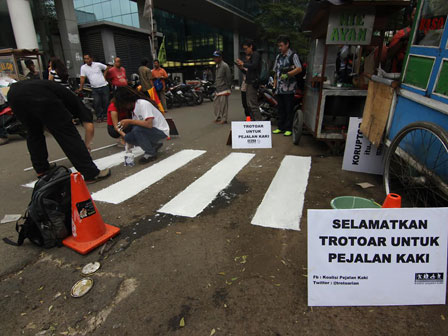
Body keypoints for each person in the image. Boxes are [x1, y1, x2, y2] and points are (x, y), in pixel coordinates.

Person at [7, 80, 111, 183]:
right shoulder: (77, 104)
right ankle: (91, 173)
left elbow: (49, 126)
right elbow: (89, 126)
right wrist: (86, 146)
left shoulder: (59, 92)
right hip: (39, 95)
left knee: (34, 132)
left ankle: (41, 169)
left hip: (14, 95)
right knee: (68, 135)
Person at [114, 86, 169, 163]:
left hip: (160, 131)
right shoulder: (134, 109)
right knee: (128, 137)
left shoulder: (142, 104)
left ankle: (150, 153)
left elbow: (149, 124)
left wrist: (130, 121)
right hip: (151, 131)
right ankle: (153, 145)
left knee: (137, 130)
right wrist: (128, 150)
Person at [272, 35, 302, 137]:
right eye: (278, 46)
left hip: (289, 88)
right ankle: (280, 127)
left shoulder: (293, 55)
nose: (280, 48)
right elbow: (275, 71)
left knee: (289, 109)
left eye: (281, 45)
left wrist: (288, 74)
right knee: (280, 109)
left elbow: (299, 68)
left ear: (287, 44)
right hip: (279, 88)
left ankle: (289, 128)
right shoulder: (278, 56)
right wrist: (274, 85)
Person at [77, 54, 109, 122]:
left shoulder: (97, 65)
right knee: (97, 102)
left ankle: (106, 116)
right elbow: (82, 78)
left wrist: (104, 76)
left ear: (91, 58)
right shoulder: (83, 68)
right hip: (94, 88)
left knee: (105, 102)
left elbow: (106, 68)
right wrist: (81, 88)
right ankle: (99, 116)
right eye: (85, 59)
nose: (87, 60)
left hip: (104, 86)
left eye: (88, 58)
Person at [236, 39, 261, 121]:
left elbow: (254, 65)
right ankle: (254, 121)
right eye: (244, 49)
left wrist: (243, 64)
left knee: (253, 105)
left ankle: (258, 123)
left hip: (253, 83)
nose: (245, 51)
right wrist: (241, 67)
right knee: (249, 104)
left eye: (246, 48)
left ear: (251, 47)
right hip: (249, 82)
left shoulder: (256, 54)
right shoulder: (253, 56)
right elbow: (248, 72)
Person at [212, 50, 232, 124]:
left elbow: (229, 77)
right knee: (216, 104)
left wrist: (228, 87)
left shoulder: (225, 66)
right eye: (214, 57)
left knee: (223, 105)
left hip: (224, 88)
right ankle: (218, 117)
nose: (215, 59)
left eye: (216, 57)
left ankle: (224, 119)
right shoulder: (217, 65)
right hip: (218, 88)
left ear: (220, 57)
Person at [236, 54, 251, 118]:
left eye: (249, 56)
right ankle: (248, 118)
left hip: (250, 87)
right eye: (247, 56)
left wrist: (241, 68)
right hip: (244, 87)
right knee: (244, 104)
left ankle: (252, 118)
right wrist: (240, 66)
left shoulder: (253, 65)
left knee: (250, 104)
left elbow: (247, 73)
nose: (247, 57)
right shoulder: (245, 64)